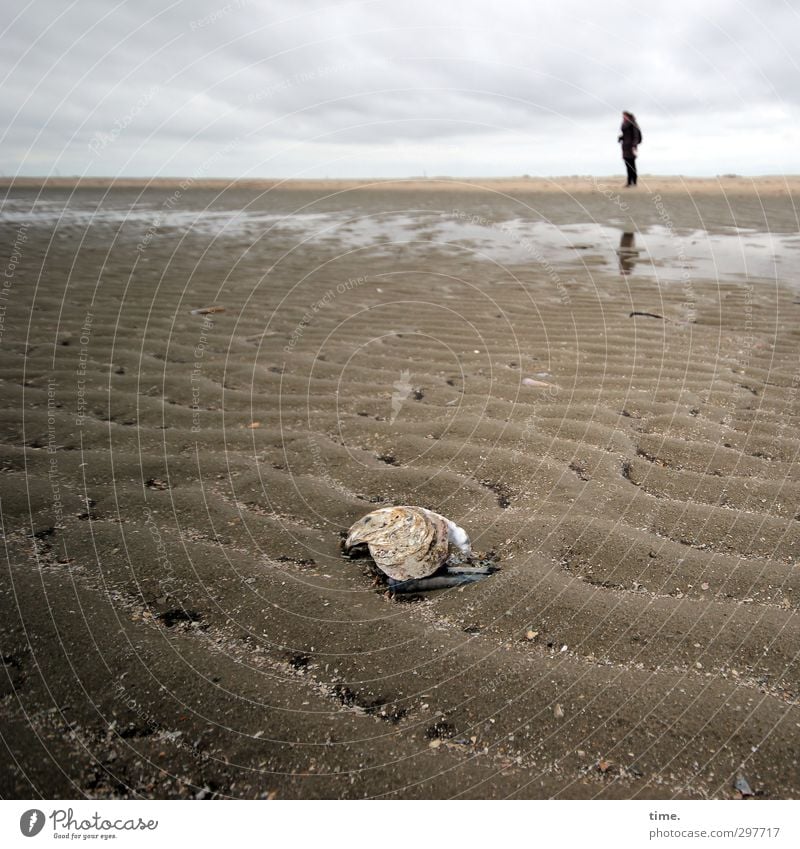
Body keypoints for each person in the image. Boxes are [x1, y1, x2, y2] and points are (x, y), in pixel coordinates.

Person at [618, 111, 642, 187]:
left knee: (632, 165)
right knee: (627, 165)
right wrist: (621, 138)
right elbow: (626, 135)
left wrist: (634, 146)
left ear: (628, 116)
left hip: (631, 147)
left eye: (624, 116)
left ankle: (634, 182)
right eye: (623, 116)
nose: (623, 118)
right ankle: (629, 182)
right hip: (625, 147)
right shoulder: (624, 124)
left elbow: (636, 136)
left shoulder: (633, 124)